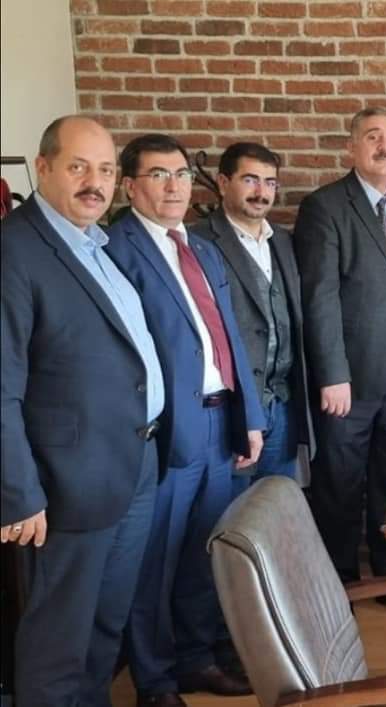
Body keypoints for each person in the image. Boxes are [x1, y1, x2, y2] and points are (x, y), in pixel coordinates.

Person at [1, 115, 163, 706]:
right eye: (78, 167)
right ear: (43, 167)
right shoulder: (15, 250)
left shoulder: (96, 242)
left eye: (105, 170)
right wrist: (18, 494)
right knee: (57, 643)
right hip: (65, 487)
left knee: (104, 626)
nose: (94, 183)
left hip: (133, 465)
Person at [106, 133, 265, 706]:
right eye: (158, 175)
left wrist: (250, 416)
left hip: (221, 423)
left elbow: (228, 339)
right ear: (130, 186)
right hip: (169, 429)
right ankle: (155, 681)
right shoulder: (116, 249)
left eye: (179, 174)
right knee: (155, 561)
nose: (174, 186)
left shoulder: (200, 247)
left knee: (205, 550)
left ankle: (197, 659)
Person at [294, 107, 386, 600]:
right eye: (374, 136)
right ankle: (338, 586)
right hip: (349, 380)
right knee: (339, 483)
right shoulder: (325, 207)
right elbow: (319, 297)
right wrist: (331, 374)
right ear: (352, 147)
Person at [193, 142, 315, 495]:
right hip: (232, 410)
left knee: (275, 506)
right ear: (223, 182)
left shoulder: (284, 241)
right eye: (250, 180)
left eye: (270, 182)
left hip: (283, 403)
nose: (261, 192)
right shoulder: (198, 241)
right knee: (231, 513)